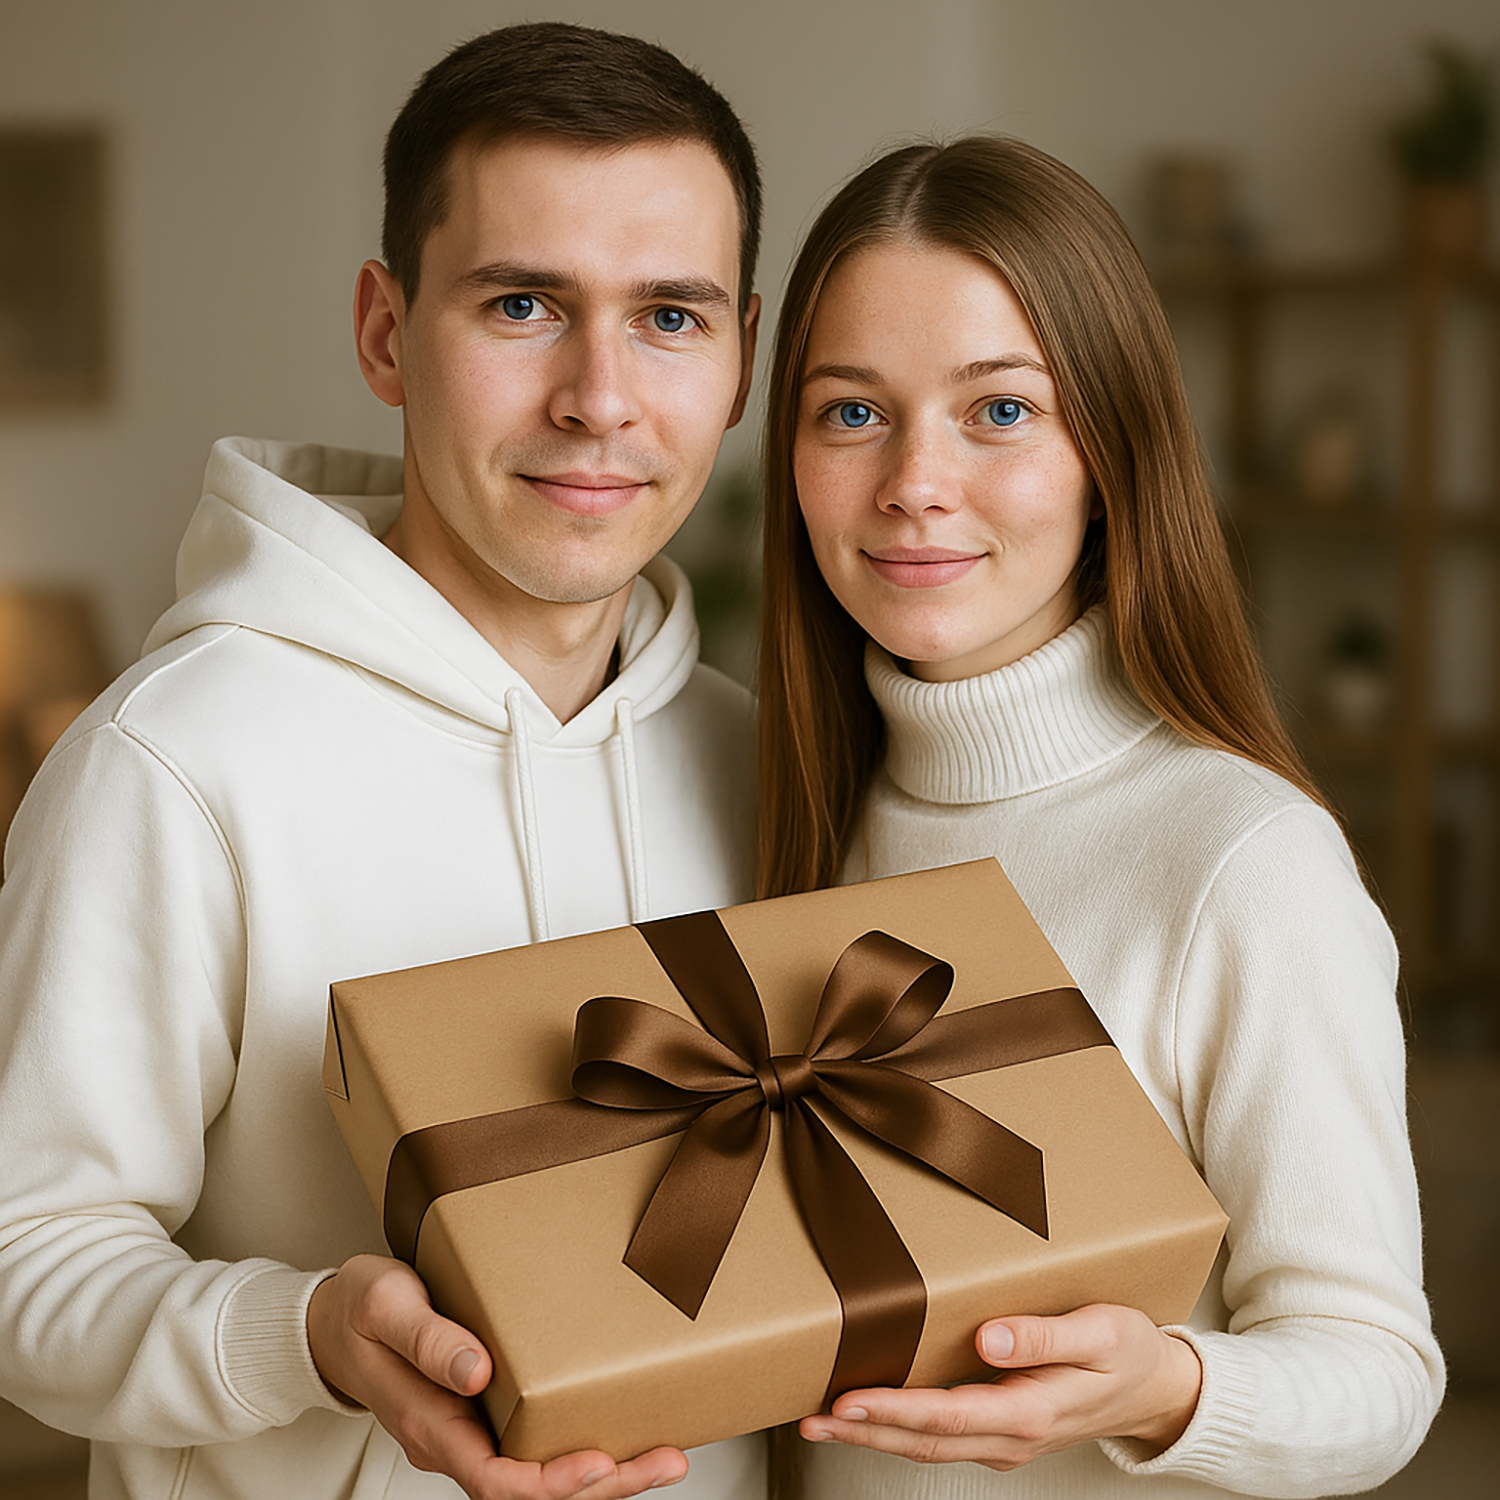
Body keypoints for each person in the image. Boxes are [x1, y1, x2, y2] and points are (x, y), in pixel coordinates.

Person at [0, 23, 766, 1500]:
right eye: (523, 304)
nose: (600, 397)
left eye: (670, 317)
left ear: (741, 359)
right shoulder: (170, 759)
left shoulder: (758, 755)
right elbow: (22, 1258)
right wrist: (305, 1335)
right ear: (384, 332)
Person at [757, 135, 1444, 1498]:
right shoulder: (778, 814)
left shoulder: (1242, 859)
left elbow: (1380, 1377)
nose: (914, 481)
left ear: (1111, 452)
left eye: (1001, 409)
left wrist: (1169, 1388)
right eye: (851, 412)